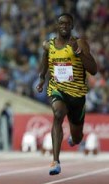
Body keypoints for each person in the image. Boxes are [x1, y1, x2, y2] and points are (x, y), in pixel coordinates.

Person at [36, 13, 97, 175]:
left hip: (77, 95)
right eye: (61, 23)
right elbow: (45, 62)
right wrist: (42, 79)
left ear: (72, 26)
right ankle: (55, 161)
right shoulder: (49, 45)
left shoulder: (79, 43)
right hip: (58, 89)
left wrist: (78, 52)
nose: (64, 25)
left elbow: (93, 69)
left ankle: (74, 138)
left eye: (67, 23)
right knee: (58, 113)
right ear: (57, 25)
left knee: (77, 137)